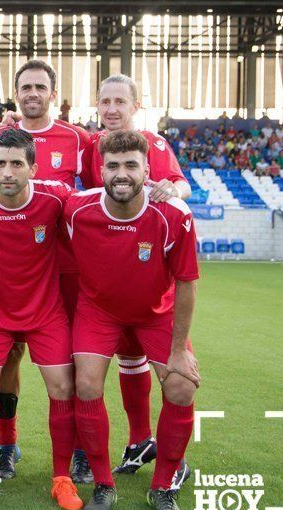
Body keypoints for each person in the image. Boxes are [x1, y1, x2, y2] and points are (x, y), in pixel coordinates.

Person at [64, 129, 200, 510]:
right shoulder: (77, 209)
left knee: (181, 385)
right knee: (86, 384)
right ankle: (104, 484)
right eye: (112, 166)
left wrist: (178, 351)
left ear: (147, 170)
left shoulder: (174, 215)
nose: (121, 174)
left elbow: (187, 284)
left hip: (156, 314)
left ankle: (162, 488)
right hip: (98, 312)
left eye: (130, 165)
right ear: (100, 169)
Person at [0, 128, 81, 510]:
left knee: (61, 387)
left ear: (33, 168)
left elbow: (96, 208)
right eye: (1, 164)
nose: (8, 172)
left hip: (44, 312)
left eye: (17, 164)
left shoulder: (55, 198)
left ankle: (62, 478)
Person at [0, 59, 92, 481]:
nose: (32, 93)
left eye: (39, 87)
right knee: (8, 358)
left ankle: (81, 451)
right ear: (16, 93)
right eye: (25, 87)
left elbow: (100, 196)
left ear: (53, 92)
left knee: (68, 365)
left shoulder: (78, 138)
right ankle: (7, 445)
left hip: (65, 272)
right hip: (7, 272)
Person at [82, 75, 193, 482]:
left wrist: (173, 191)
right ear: (96, 105)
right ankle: (140, 439)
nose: (112, 109)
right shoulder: (90, 144)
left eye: (120, 102)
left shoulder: (151, 143)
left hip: (147, 269)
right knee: (129, 360)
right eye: (105, 101)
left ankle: (172, 456)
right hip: (109, 268)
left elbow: (182, 185)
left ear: (135, 105)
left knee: (166, 373)